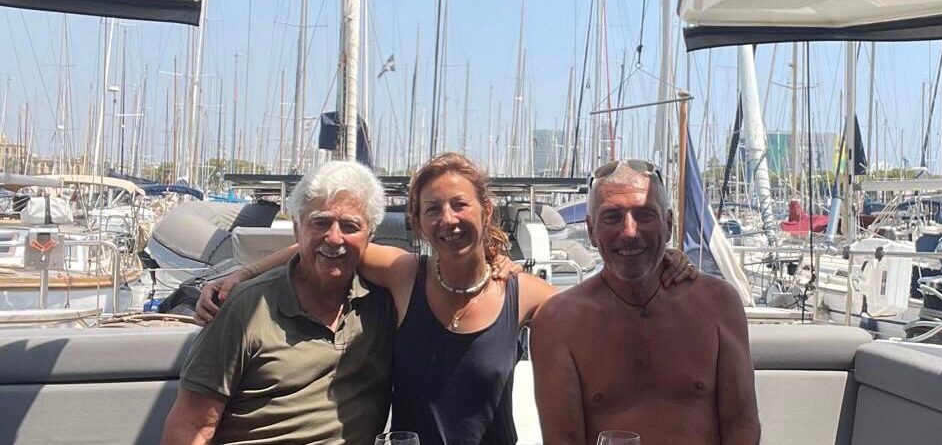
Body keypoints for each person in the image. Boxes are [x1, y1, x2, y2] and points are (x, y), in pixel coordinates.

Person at [195, 153, 697, 445]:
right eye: (432, 209)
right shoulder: (403, 275)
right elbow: (330, 241)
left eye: (460, 204)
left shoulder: (520, 292)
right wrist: (245, 271)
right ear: (416, 220)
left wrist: (660, 261)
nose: (448, 219)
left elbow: (602, 303)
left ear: (485, 210)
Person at [161, 160, 396, 444]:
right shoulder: (246, 308)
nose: (334, 238)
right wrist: (248, 274)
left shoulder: (384, 304)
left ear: (370, 237)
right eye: (320, 222)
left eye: (350, 226)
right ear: (297, 229)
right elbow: (192, 425)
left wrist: (248, 270)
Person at [531, 159, 760, 445]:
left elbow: (742, 426)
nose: (629, 231)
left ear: (668, 224)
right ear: (590, 230)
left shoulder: (718, 304)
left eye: (644, 215)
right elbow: (562, 441)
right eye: (612, 217)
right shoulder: (558, 322)